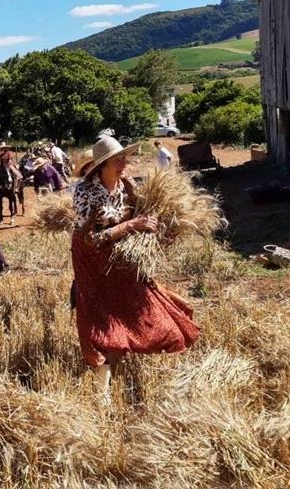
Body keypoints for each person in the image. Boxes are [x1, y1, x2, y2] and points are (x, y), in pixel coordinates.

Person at [71, 136, 199, 403]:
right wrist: (130, 226)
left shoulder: (126, 186)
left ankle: (128, 346)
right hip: (91, 259)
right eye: (118, 160)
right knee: (101, 317)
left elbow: (141, 217)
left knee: (140, 302)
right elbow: (90, 239)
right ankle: (102, 393)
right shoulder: (84, 192)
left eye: (124, 158)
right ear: (102, 165)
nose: (124, 163)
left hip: (120, 256)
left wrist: (157, 227)